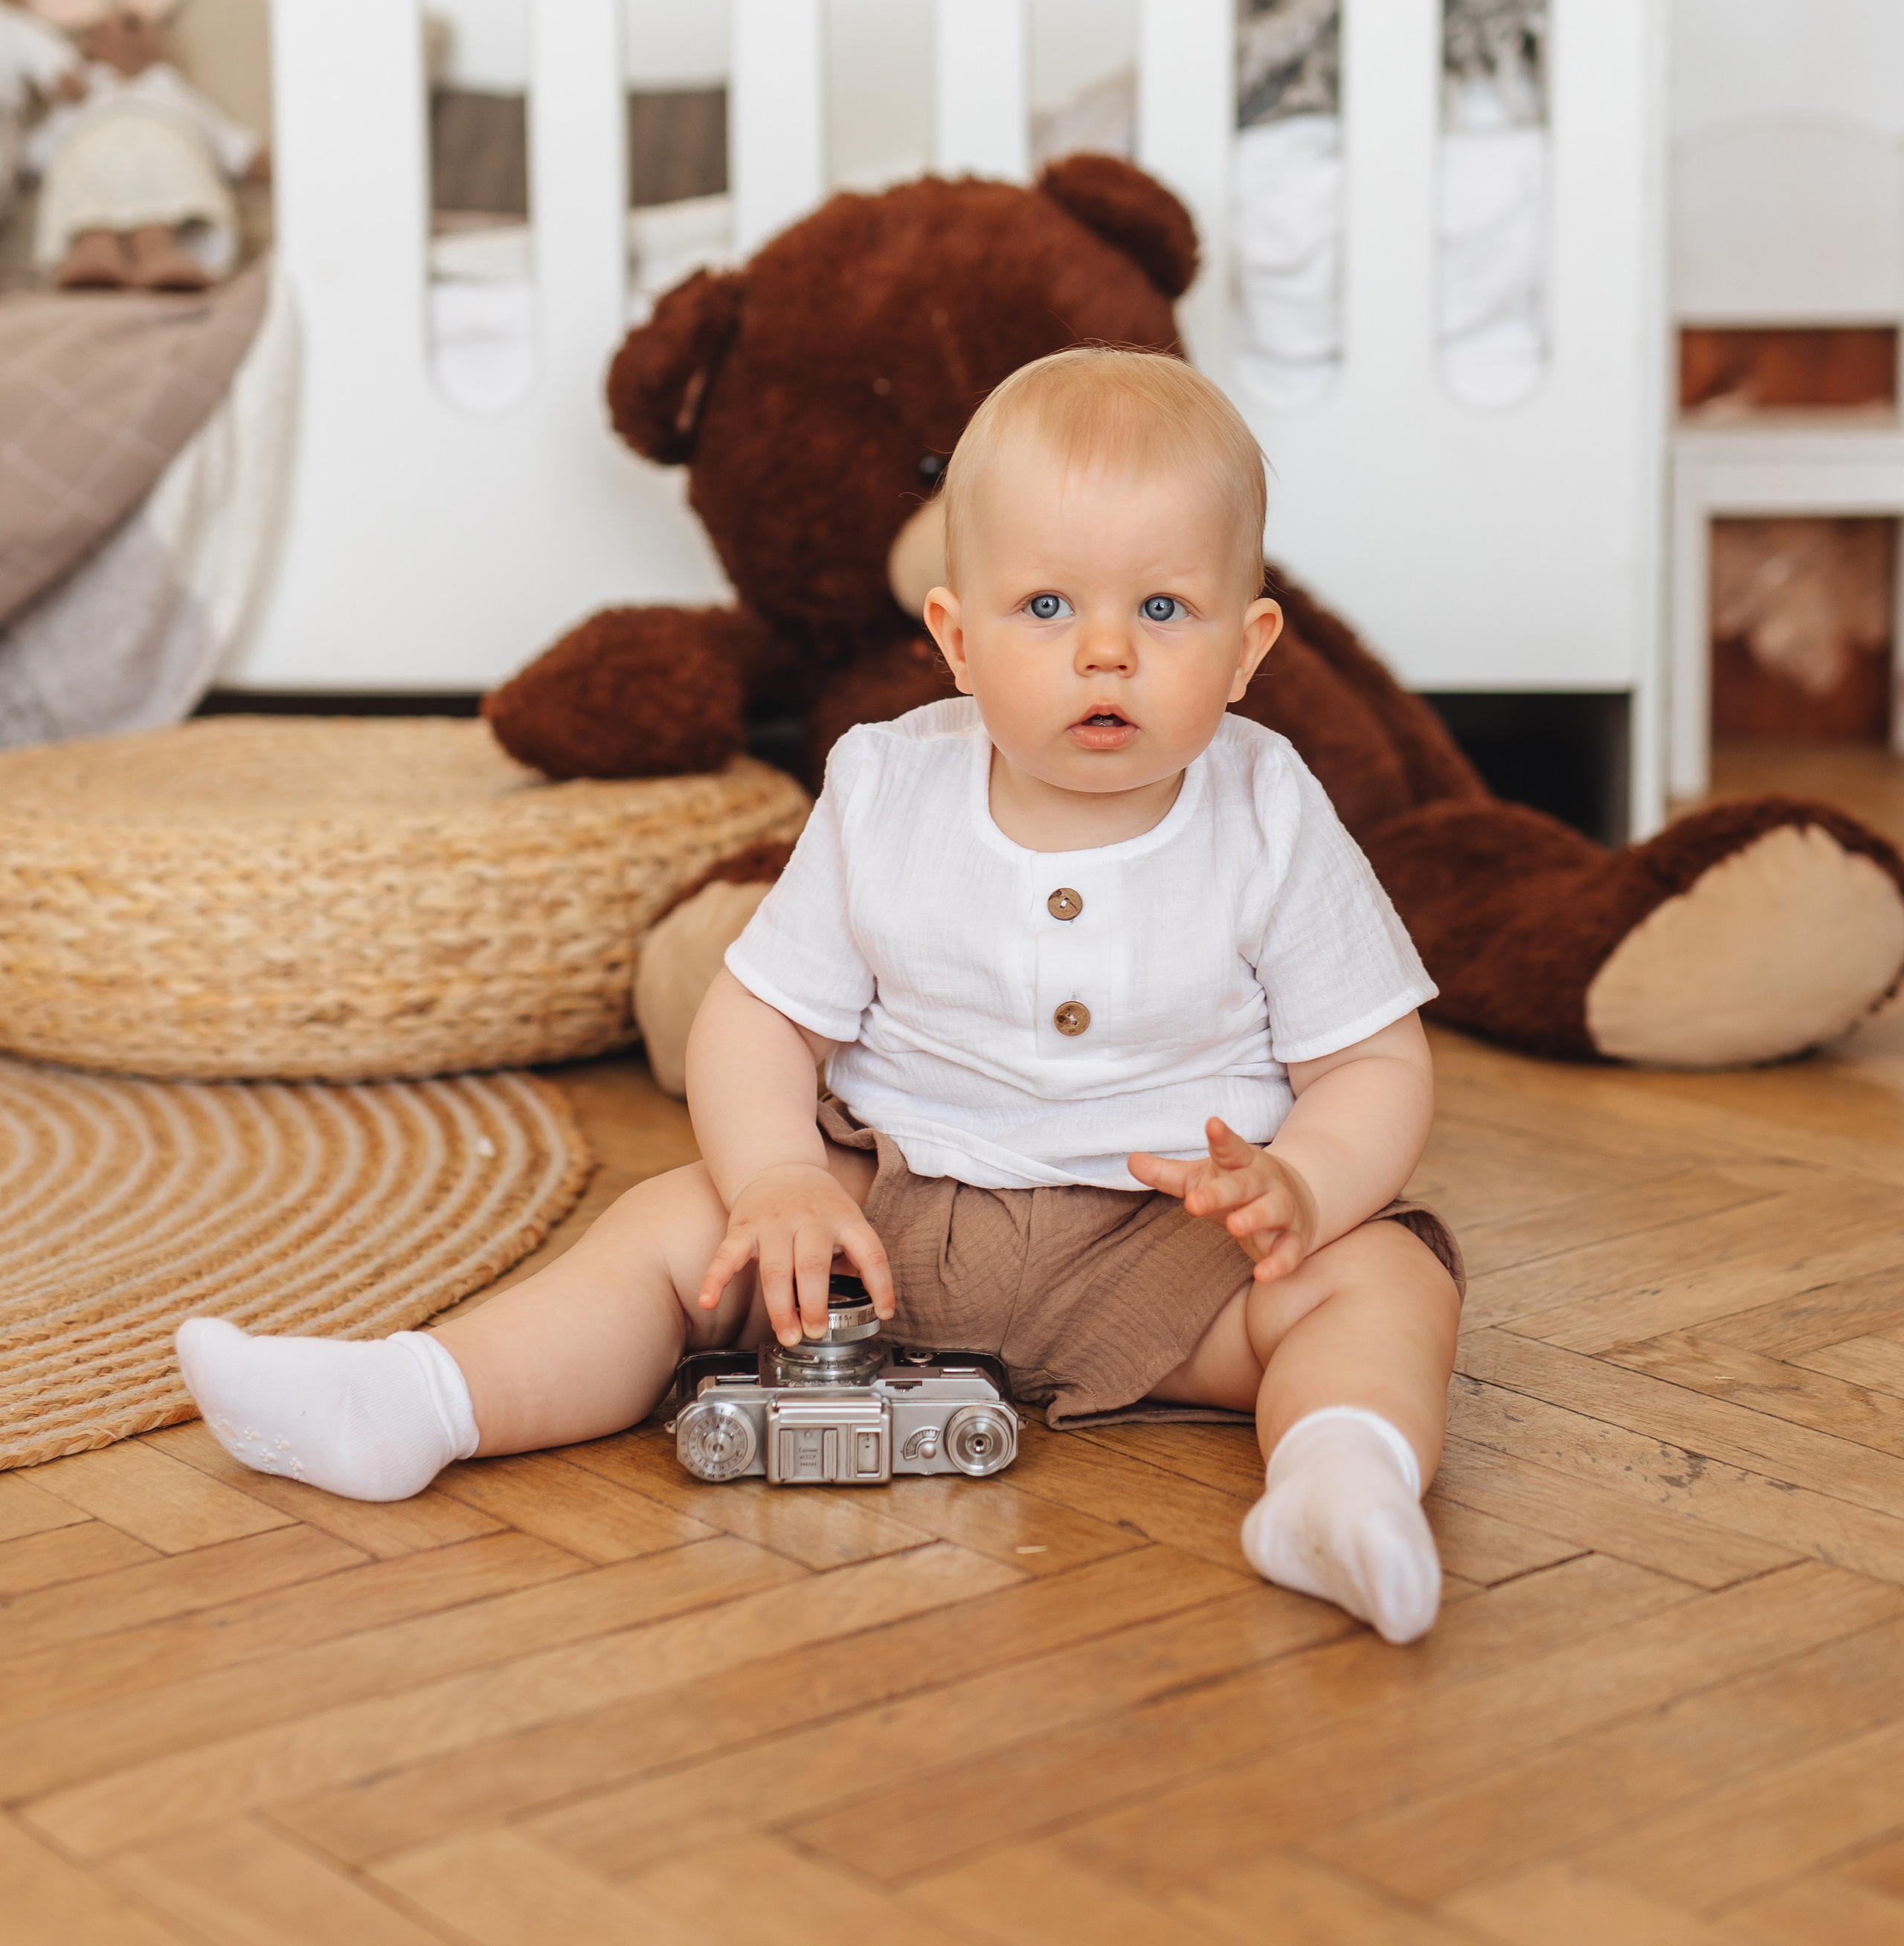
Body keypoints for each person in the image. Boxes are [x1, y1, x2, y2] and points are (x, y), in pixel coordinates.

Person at [178, 349, 1464, 1643]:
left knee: (1385, 1281)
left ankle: (1339, 1478)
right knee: (672, 1233)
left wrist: (1304, 1188)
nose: (1109, 653)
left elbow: (1372, 1065)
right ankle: (420, 1401)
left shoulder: (1271, 810)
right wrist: (778, 1177)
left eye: (1168, 612)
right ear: (957, 640)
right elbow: (759, 1016)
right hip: (877, 1231)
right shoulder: (886, 790)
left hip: (1175, 1247)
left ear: (1249, 650)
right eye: (1049, 607)